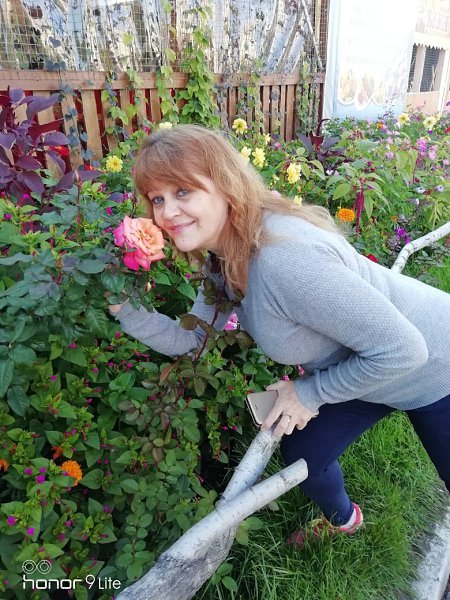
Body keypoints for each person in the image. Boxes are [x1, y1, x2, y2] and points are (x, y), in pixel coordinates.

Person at [110, 124, 450, 542]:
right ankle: (345, 521)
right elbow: (192, 339)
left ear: (225, 185)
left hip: (436, 365)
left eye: (182, 191)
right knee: (306, 453)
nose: (166, 213)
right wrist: (122, 308)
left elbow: (405, 351)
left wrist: (309, 394)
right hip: (368, 367)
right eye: (157, 198)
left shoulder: (282, 261)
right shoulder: (225, 259)